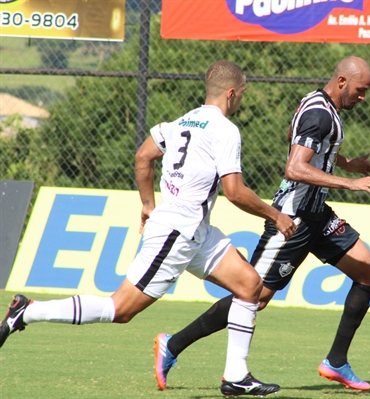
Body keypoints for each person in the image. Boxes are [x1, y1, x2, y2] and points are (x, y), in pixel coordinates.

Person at [0, 60, 297, 397]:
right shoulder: (226, 130)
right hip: (176, 233)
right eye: (241, 94)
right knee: (120, 309)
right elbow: (234, 192)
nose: (241, 99)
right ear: (231, 93)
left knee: (249, 285)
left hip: (195, 231)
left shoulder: (180, 122)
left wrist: (147, 203)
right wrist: (276, 216)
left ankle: (236, 377)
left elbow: (143, 157)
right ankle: (29, 311)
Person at [152, 56, 370, 392]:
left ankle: (336, 362)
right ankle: (172, 345)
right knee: (254, 295)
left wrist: (348, 163)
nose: (363, 97)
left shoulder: (317, 104)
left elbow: (300, 139)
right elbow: (295, 167)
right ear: (341, 82)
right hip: (293, 219)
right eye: (360, 90)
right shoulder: (320, 113)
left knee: (369, 273)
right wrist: (351, 183)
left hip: (318, 215)